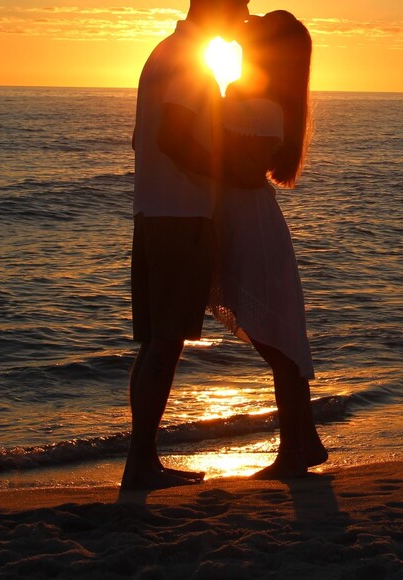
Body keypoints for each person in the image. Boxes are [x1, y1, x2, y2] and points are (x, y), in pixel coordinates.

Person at [124, 0, 250, 491]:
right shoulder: (189, 60)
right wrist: (226, 172)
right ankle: (140, 464)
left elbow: (141, 138)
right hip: (179, 216)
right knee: (165, 342)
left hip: (153, 211)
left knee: (156, 341)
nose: (242, 17)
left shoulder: (164, 54)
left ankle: (142, 459)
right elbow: (173, 137)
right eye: (238, 7)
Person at [206, 11, 327, 479]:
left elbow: (240, 168)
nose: (249, 22)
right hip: (242, 219)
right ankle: (304, 442)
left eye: (261, 24)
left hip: (249, 222)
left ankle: (298, 446)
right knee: (276, 337)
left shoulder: (262, 100)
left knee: (275, 338)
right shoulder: (250, 90)